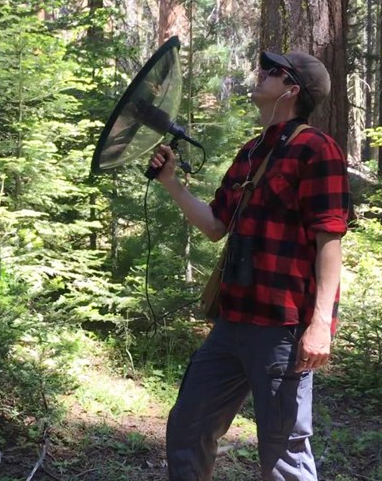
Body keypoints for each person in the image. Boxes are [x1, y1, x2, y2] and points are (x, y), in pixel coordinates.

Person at [149, 50, 350, 480]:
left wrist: (319, 325)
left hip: (283, 329)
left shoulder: (317, 149)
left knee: (283, 451)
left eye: (272, 72)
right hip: (232, 321)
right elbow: (216, 225)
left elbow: (329, 239)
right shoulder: (252, 151)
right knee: (189, 426)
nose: (260, 75)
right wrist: (172, 184)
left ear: (292, 89)